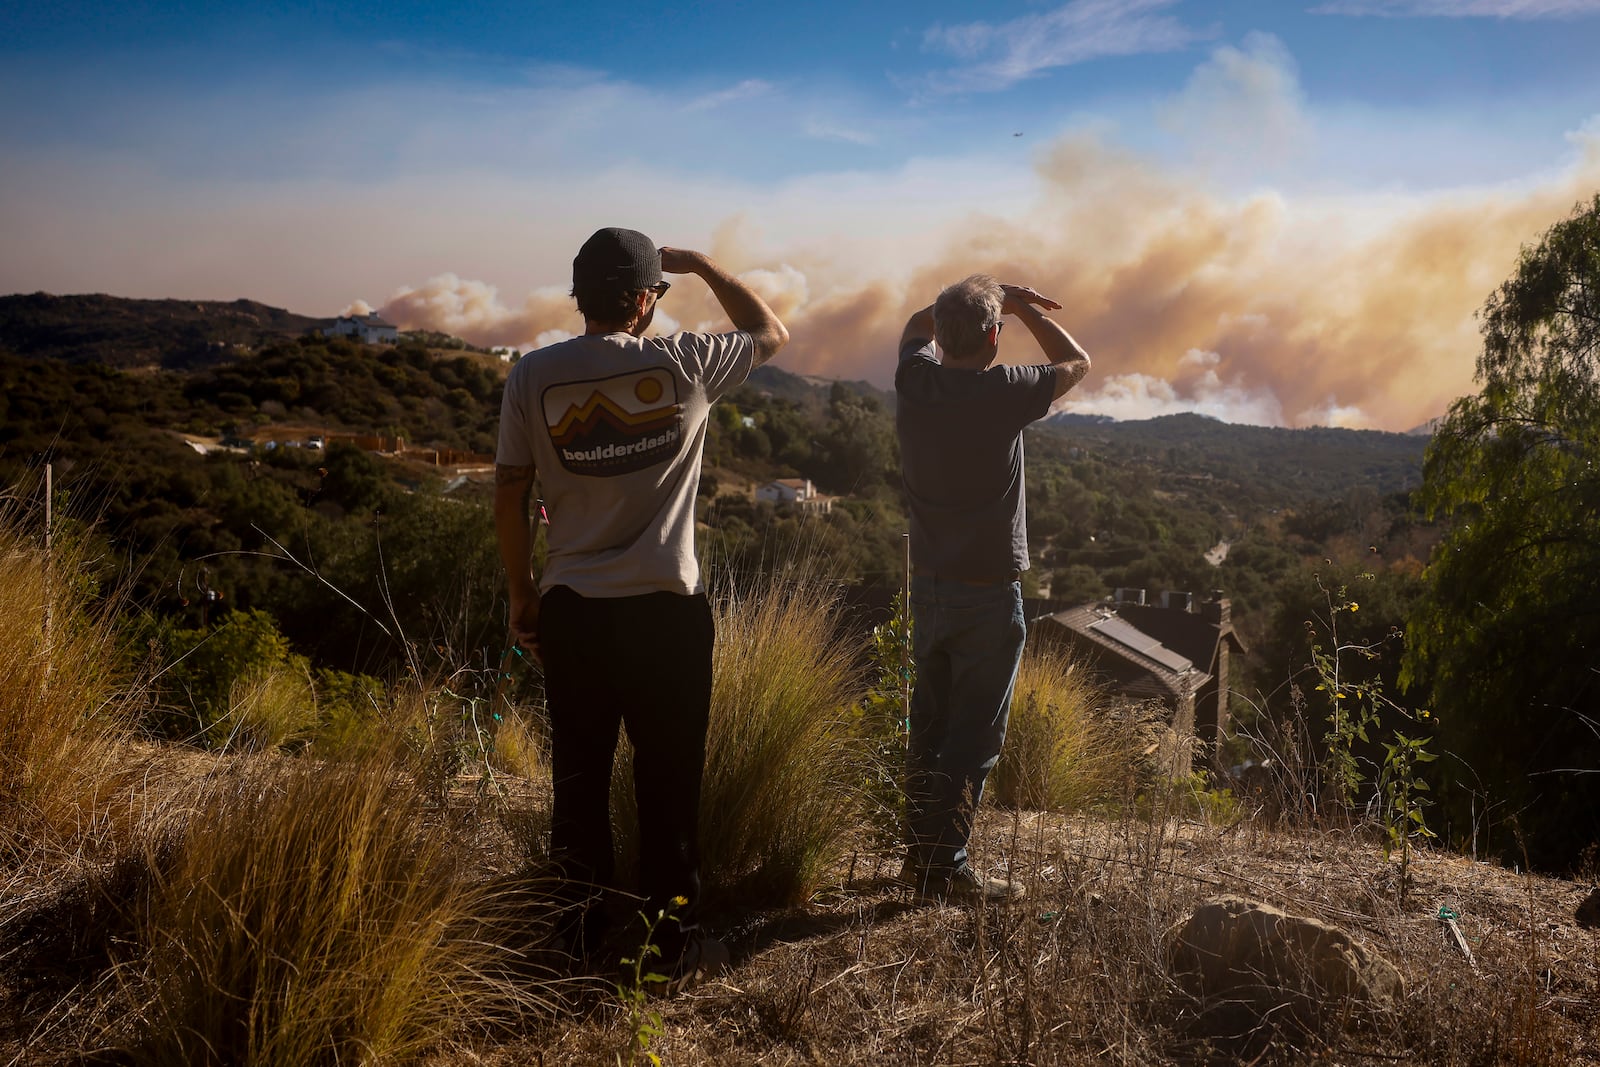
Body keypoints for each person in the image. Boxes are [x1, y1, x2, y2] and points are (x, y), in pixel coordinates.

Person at [494, 227, 788, 982]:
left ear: (579, 294)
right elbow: (769, 331)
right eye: (655, 288)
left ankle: (577, 933)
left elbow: (509, 489)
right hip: (667, 613)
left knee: (579, 781)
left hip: (574, 612)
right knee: (668, 784)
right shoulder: (685, 361)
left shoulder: (531, 375)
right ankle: (669, 947)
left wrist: (523, 592)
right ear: (644, 300)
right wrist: (698, 265)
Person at [894, 273, 1090, 903]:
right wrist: (1024, 306)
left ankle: (919, 858)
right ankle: (944, 867)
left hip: (927, 585)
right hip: (986, 592)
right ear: (995, 338)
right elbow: (1076, 362)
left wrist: (965, 307)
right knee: (973, 734)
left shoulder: (915, 380)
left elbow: (914, 328)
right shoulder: (1004, 390)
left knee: (929, 723)